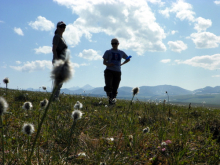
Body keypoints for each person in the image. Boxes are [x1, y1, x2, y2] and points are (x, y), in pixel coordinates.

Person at [103, 38, 130, 105]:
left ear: (118, 44)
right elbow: (104, 62)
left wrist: (122, 64)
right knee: (108, 86)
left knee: (115, 88)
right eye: (112, 43)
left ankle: (112, 101)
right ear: (111, 44)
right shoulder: (107, 52)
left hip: (117, 72)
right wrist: (109, 64)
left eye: (115, 43)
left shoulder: (121, 52)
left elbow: (128, 59)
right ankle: (111, 100)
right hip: (109, 71)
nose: (114, 45)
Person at [52, 21, 68, 101]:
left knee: (60, 80)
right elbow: (54, 49)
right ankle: (54, 97)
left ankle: (55, 96)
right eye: (61, 27)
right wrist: (57, 60)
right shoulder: (57, 37)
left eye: (64, 27)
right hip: (58, 61)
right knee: (58, 79)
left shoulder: (61, 38)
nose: (62, 28)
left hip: (62, 61)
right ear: (57, 28)